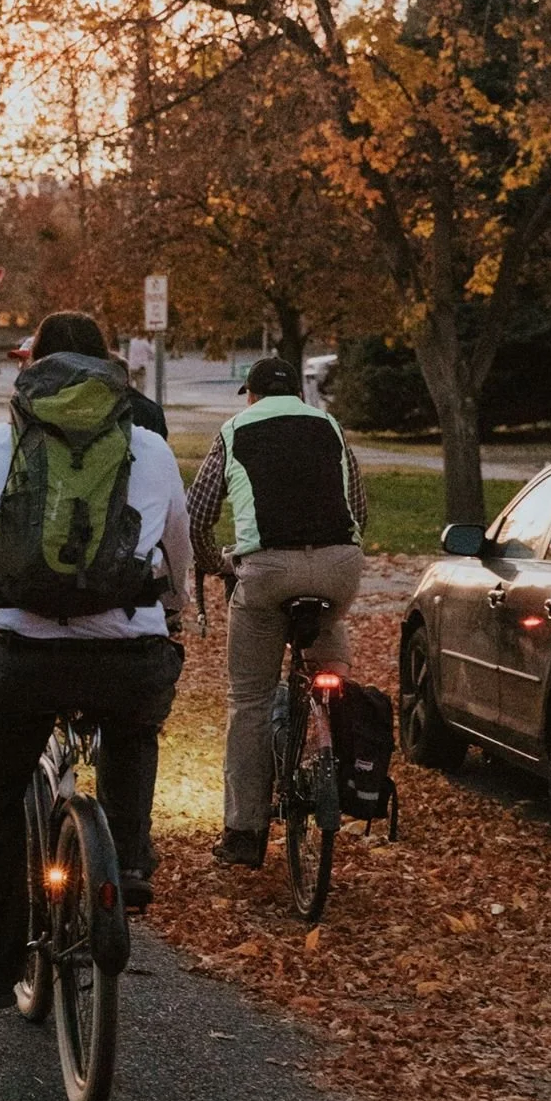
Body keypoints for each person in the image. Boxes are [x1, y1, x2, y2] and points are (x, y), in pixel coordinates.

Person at [0, 309, 190, 1009]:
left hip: (23, 654)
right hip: (130, 651)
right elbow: (177, 547)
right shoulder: (148, 447)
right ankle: (126, 857)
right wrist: (176, 608)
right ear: (110, 373)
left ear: (29, 370)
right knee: (133, 731)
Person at [185, 354, 366, 869]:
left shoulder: (235, 429)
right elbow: (359, 508)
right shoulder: (330, 425)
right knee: (328, 642)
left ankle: (243, 833)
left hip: (266, 573)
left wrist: (214, 562)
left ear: (252, 394)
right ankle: (332, 729)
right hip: (339, 566)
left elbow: (198, 515)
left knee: (250, 700)